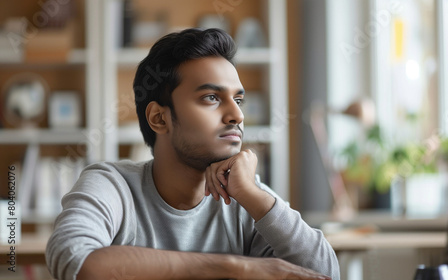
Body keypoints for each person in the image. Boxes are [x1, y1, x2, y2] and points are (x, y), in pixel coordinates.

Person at [46, 28, 340, 280]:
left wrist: (256, 197)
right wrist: (236, 268)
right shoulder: (112, 185)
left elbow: (325, 273)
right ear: (159, 119)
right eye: (211, 98)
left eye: (238, 99)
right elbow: (79, 263)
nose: (237, 114)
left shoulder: (246, 196)